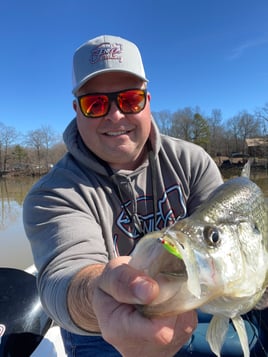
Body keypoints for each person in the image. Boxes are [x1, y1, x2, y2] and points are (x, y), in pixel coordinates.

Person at [23, 35, 224, 357]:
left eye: (130, 100)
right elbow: (63, 279)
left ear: (147, 101)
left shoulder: (192, 161)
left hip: (192, 297)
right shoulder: (53, 192)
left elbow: (227, 238)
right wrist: (99, 297)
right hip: (100, 329)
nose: (115, 116)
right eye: (96, 104)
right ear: (77, 110)